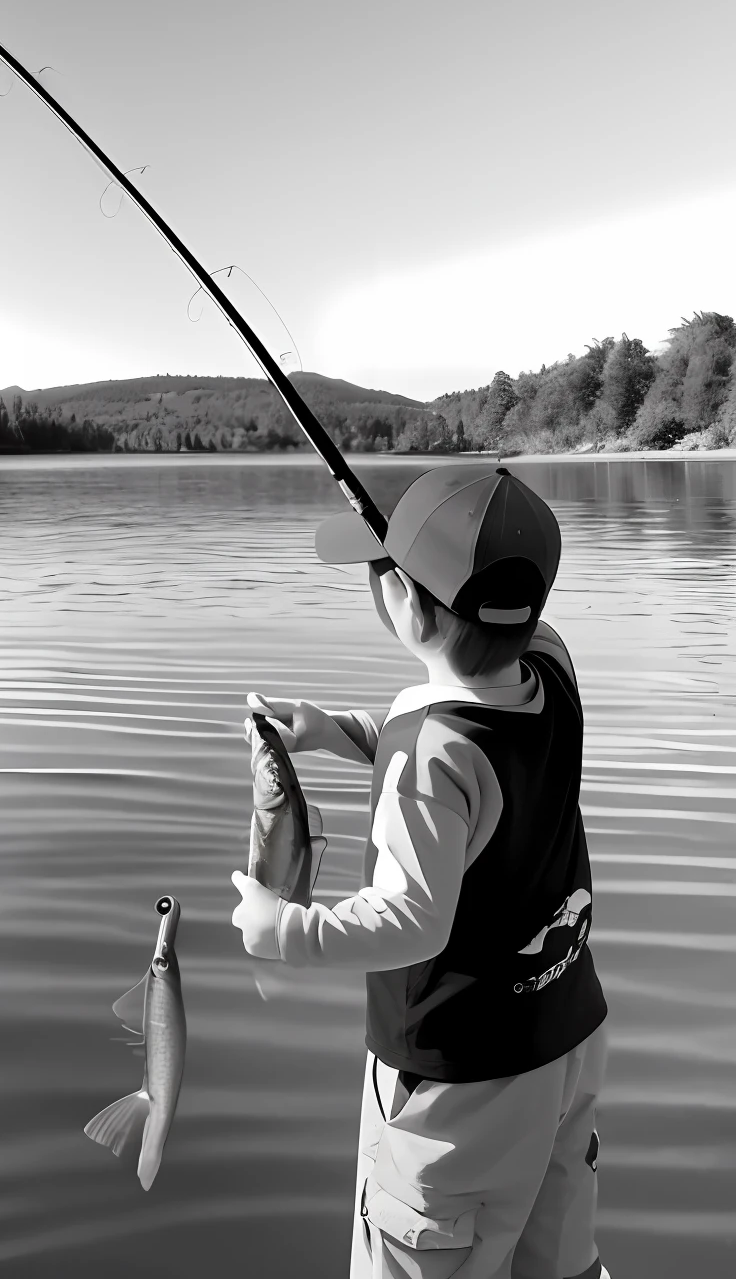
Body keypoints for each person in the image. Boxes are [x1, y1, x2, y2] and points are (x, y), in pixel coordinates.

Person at [229, 464, 609, 1279]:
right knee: (555, 1243)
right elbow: (465, 729)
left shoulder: (427, 758)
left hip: (458, 1092)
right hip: (565, 1041)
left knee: (425, 1249)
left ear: (401, 602)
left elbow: (412, 918)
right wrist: (337, 731)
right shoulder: (552, 668)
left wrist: (286, 928)